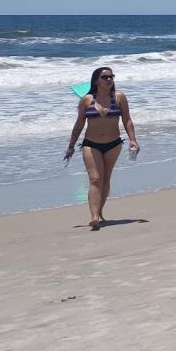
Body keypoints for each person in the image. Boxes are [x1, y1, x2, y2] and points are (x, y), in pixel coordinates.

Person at [64, 67, 139, 231]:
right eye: (105, 77)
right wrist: (71, 146)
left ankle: (100, 212)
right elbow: (79, 125)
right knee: (95, 179)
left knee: (105, 179)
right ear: (96, 80)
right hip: (91, 144)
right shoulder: (86, 100)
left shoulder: (119, 97)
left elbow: (127, 120)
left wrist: (133, 140)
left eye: (111, 77)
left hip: (114, 144)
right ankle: (94, 217)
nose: (109, 80)